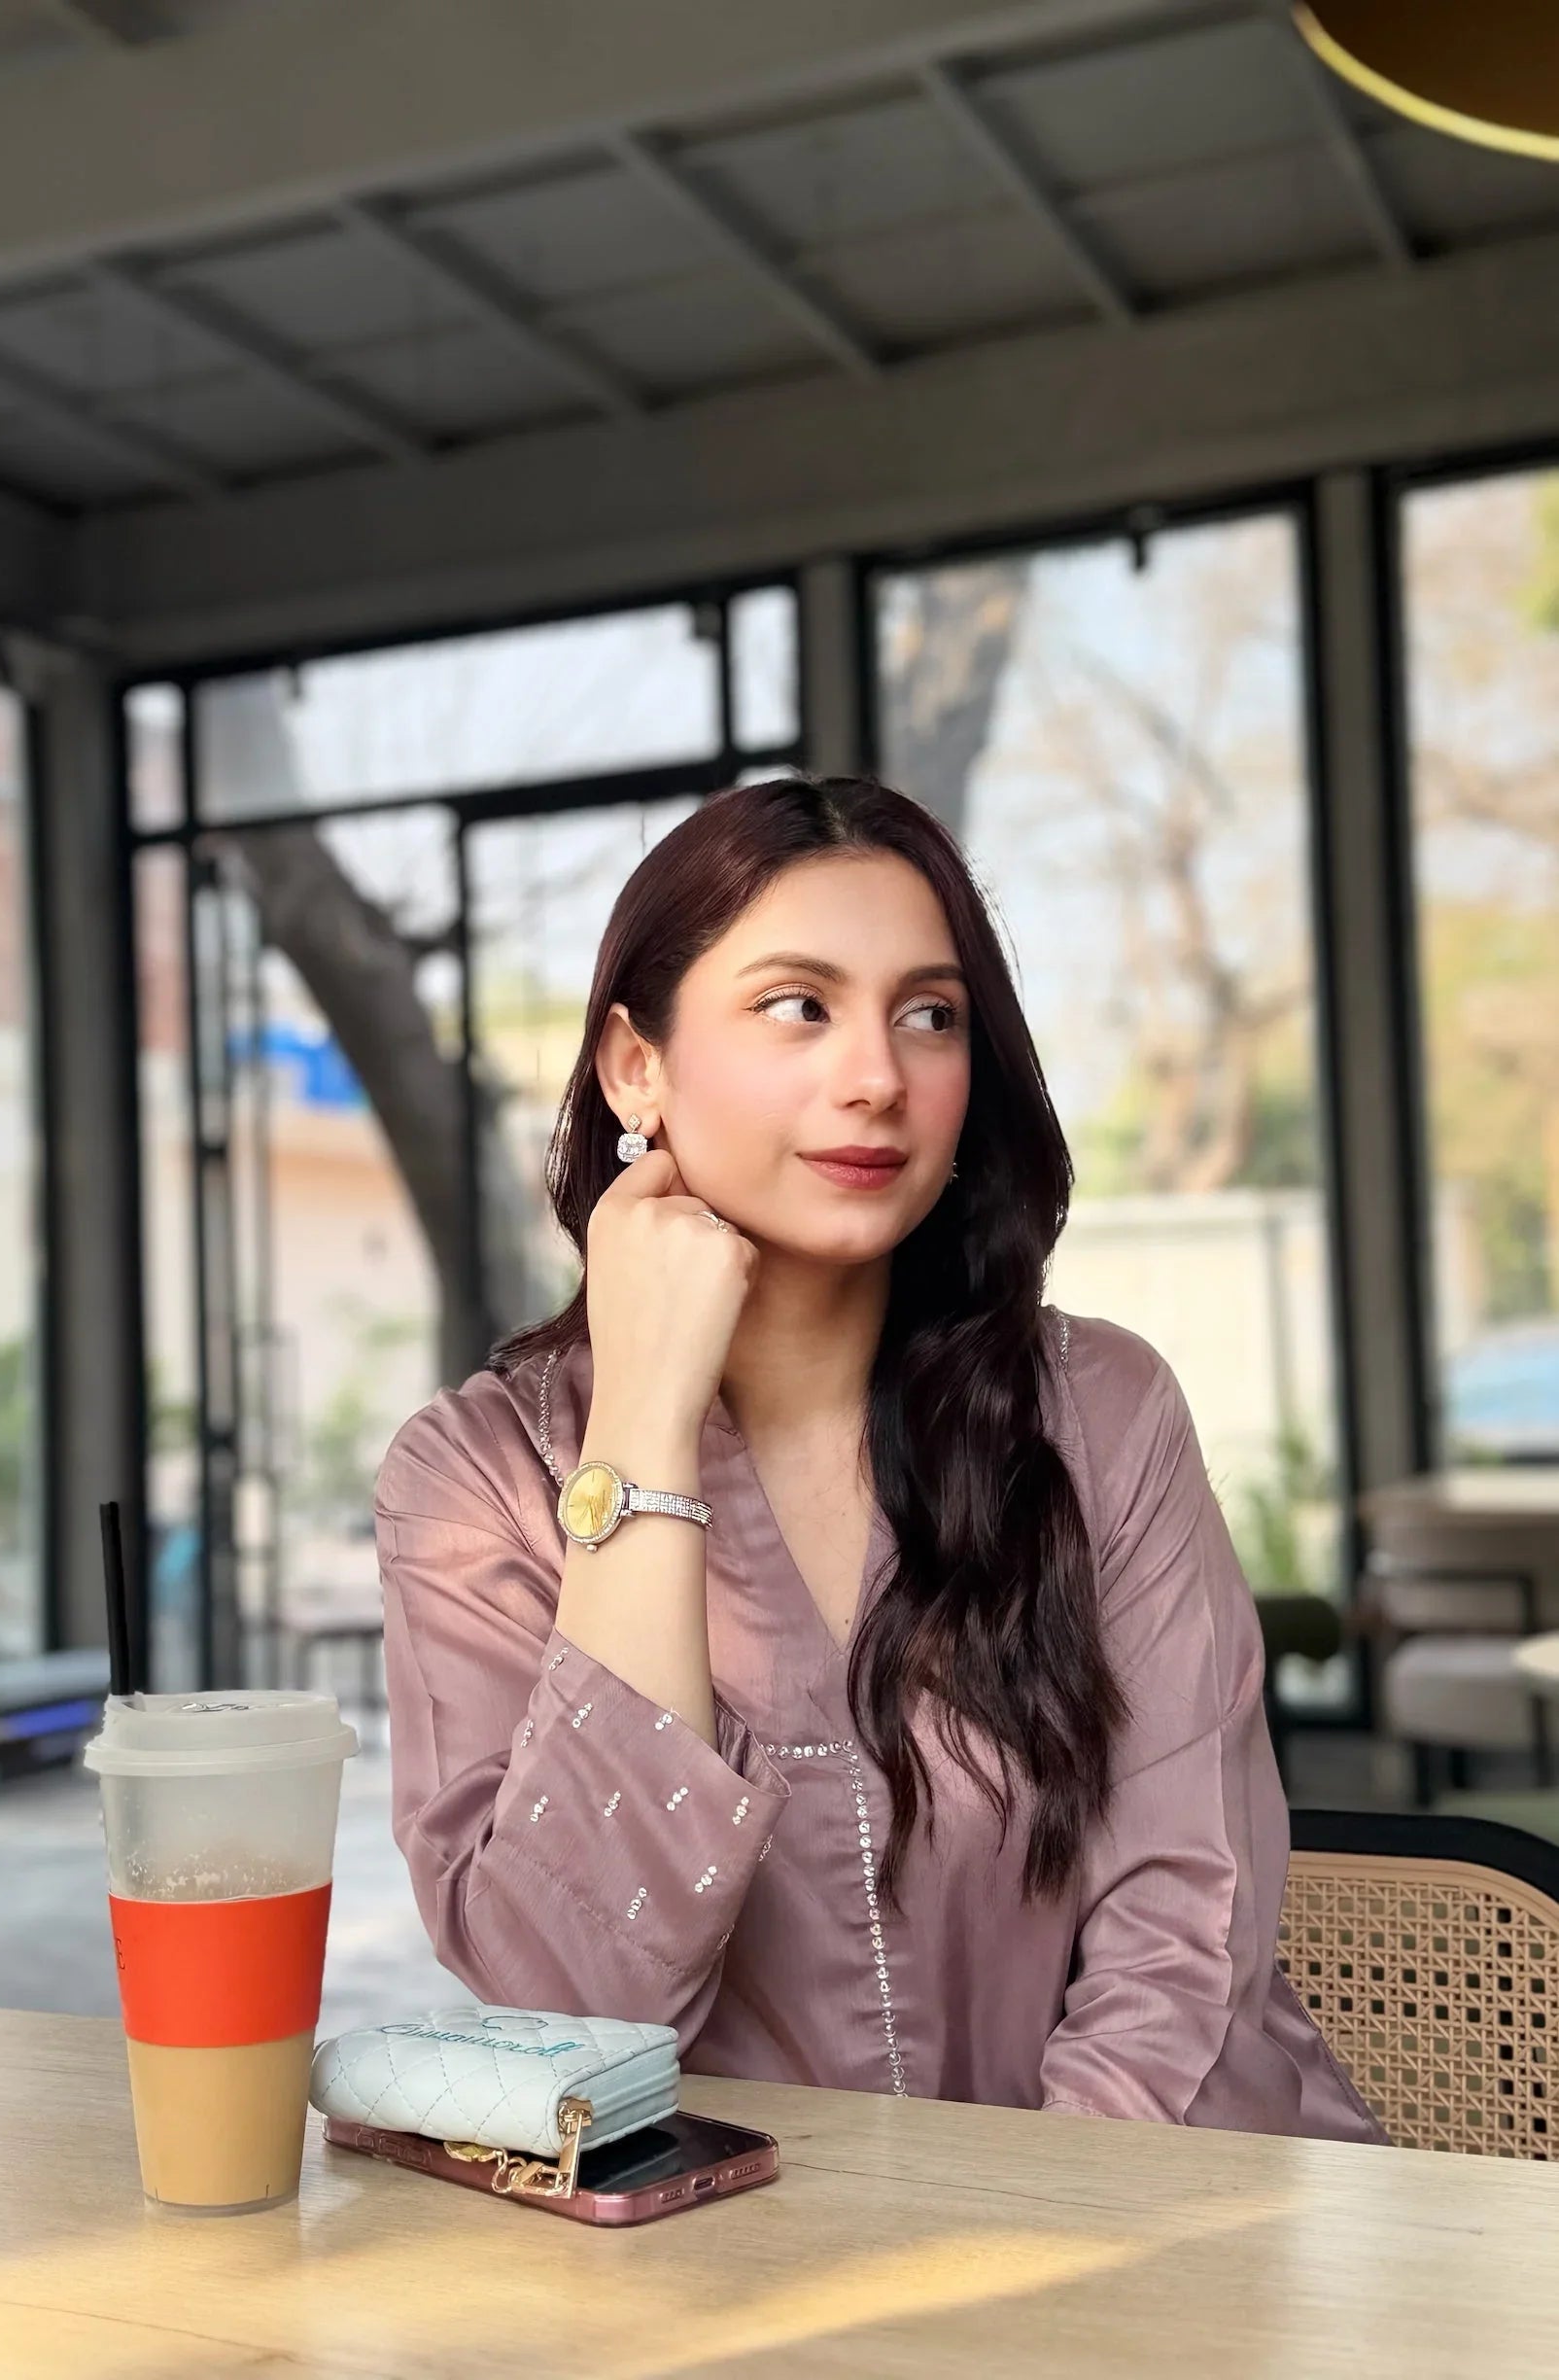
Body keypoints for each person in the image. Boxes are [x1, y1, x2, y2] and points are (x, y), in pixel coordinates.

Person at [373, 776, 1385, 2139]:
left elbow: (1185, 1943)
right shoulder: (474, 1481)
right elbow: (575, 2006)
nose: (877, 1078)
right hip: (726, 2251)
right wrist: (648, 1423)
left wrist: (1019, 2245)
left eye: (929, 1015)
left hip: (1143, 2223)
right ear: (634, 1067)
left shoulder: (1103, 1414)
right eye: (799, 1005)